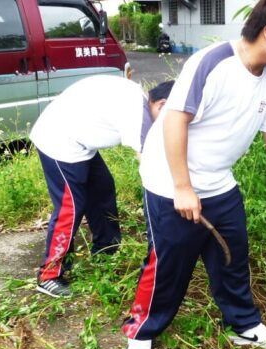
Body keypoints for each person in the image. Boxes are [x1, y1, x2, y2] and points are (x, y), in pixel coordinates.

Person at [122, 0, 266, 349]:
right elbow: (174, 121)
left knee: (232, 256)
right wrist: (183, 187)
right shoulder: (212, 63)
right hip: (170, 180)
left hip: (218, 182)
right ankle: (141, 333)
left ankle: (243, 326)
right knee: (169, 262)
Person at [30, 76, 174, 298]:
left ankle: (106, 251)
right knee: (71, 207)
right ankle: (49, 275)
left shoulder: (138, 99)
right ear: (162, 104)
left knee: (102, 190)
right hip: (58, 141)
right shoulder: (138, 116)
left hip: (78, 139)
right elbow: (151, 171)